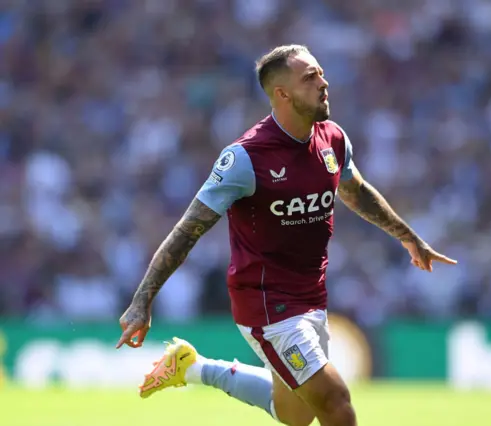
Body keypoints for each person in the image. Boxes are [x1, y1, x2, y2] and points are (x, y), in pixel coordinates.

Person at [115, 44, 457, 426]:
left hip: (311, 297)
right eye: (310, 78)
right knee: (336, 403)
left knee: (296, 414)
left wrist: (409, 237)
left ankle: (192, 368)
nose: (324, 84)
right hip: (266, 306)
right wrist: (142, 301)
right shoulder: (245, 158)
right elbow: (187, 231)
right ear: (282, 94)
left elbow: (355, 190)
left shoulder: (332, 139)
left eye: (321, 74)